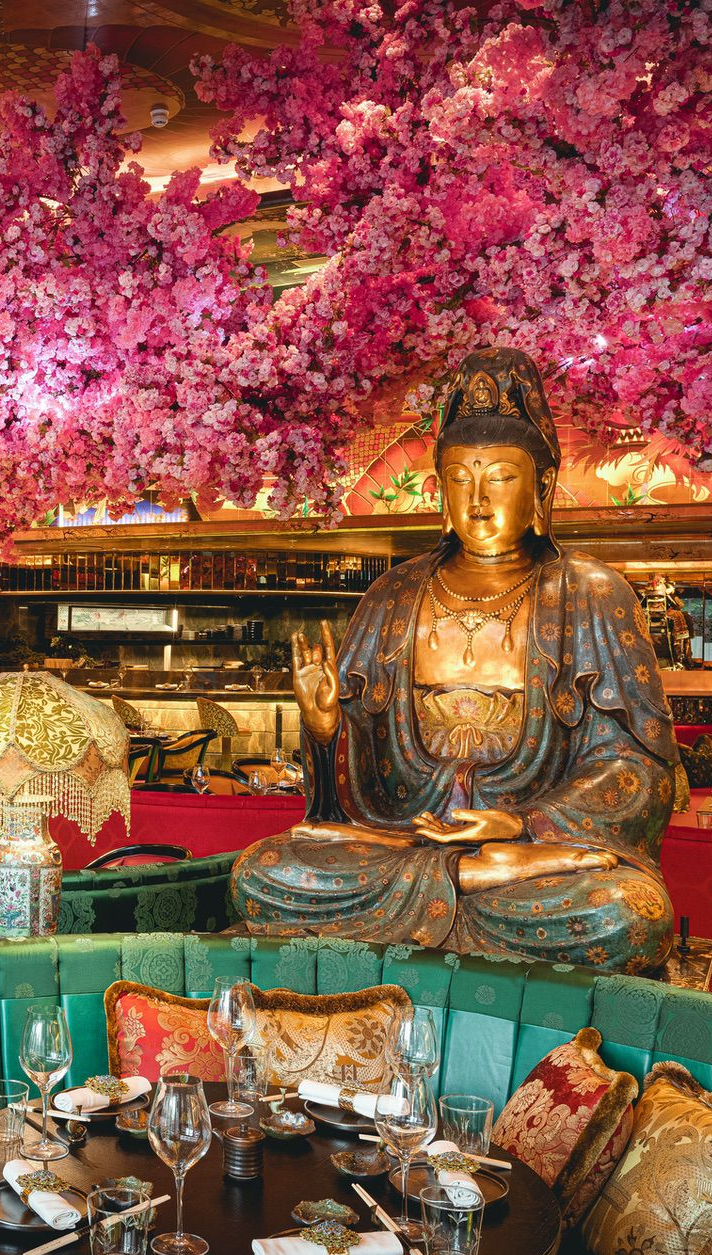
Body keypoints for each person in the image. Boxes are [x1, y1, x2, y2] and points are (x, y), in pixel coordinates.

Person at [229, 347, 677, 973]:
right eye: (461, 479)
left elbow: (636, 767)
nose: (478, 500)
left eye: (500, 477)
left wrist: (520, 826)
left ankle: (494, 871)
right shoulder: (393, 594)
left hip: (527, 858)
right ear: (441, 490)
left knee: (623, 914)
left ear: (543, 488)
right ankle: (468, 877)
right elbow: (353, 779)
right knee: (265, 871)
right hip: (402, 840)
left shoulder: (592, 594)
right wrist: (327, 725)